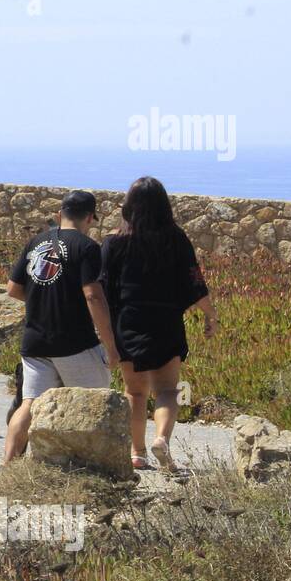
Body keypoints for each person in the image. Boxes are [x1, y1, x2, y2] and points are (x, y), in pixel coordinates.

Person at [101, 177, 218, 473]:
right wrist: (210, 314)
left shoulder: (114, 241)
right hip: (165, 321)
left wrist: (106, 332)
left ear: (128, 205)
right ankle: (161, 439)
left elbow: (103, 288)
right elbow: (194, 280)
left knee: (135, 392)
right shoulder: (175, 238)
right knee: (167, 389)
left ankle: (137, 453)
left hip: (129, 322)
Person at [2, 190, 120, 463]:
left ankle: (7, 467)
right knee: (96, 402)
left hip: (35, 342)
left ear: (59, 215)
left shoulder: (36, 242)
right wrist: (111, 347)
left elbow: (13, 289)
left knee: (29, 404)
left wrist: (42, 300)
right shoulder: (87, 247)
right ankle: (94, 468)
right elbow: (92, 295)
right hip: (73, 342)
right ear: (90, 218)